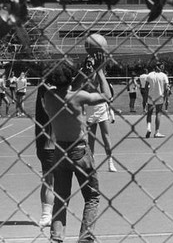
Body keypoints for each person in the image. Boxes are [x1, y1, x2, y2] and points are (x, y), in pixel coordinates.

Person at [42, 56, 111, 243]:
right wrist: (100, 71)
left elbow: (68, 88)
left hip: (59, 151)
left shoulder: (47, 96)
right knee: (92, 197)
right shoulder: (78, 97)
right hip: (79, 150)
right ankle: (85, 238)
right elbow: (106, 96)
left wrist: (80, 73)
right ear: (70, 77)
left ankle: (56, 238)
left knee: (61, 199)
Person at [74, 55, 117, 172]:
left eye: (91, 62)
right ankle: (92, 162)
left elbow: (106, 88)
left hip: (100, 106)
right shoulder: (84, 75)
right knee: (91, 138)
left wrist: (99, 69)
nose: (90, 65)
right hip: (89, 107)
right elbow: (77, 87)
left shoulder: (99, 73)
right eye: (88, 62)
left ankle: (110, 161)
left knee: (106, 136)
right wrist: (84, 71)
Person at [35, 84, 54, 228]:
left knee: (48, 181)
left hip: (47, 147)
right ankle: (47, 215)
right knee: (50, 182)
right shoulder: (49, 105)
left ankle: (46, 214)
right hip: (51, 147)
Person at [145, 62, 169, 138]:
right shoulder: (164, 76)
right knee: (158, 113)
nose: (163, 67)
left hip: (151, 97)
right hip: (159, 97)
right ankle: (156, 132)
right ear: (159, 67)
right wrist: (165, 97)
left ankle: (149, 128)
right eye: (162, 66)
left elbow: (146, 87)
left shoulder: (149, 75)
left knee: (149, 113)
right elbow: (166, 88)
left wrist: (146, 96)